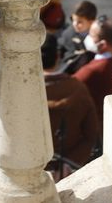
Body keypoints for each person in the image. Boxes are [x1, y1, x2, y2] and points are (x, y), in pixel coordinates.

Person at [42, 35, 97, 173]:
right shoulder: (78, 89)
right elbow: (91, 135)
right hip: (67, 170)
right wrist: (68, 165)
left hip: (31, 169)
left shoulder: (22, 92)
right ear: (58, 56)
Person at [72, 17, 112, 108]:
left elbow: (68, 87)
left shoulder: (92, 70)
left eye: (91, 35)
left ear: (103, 44)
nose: (88, 38)